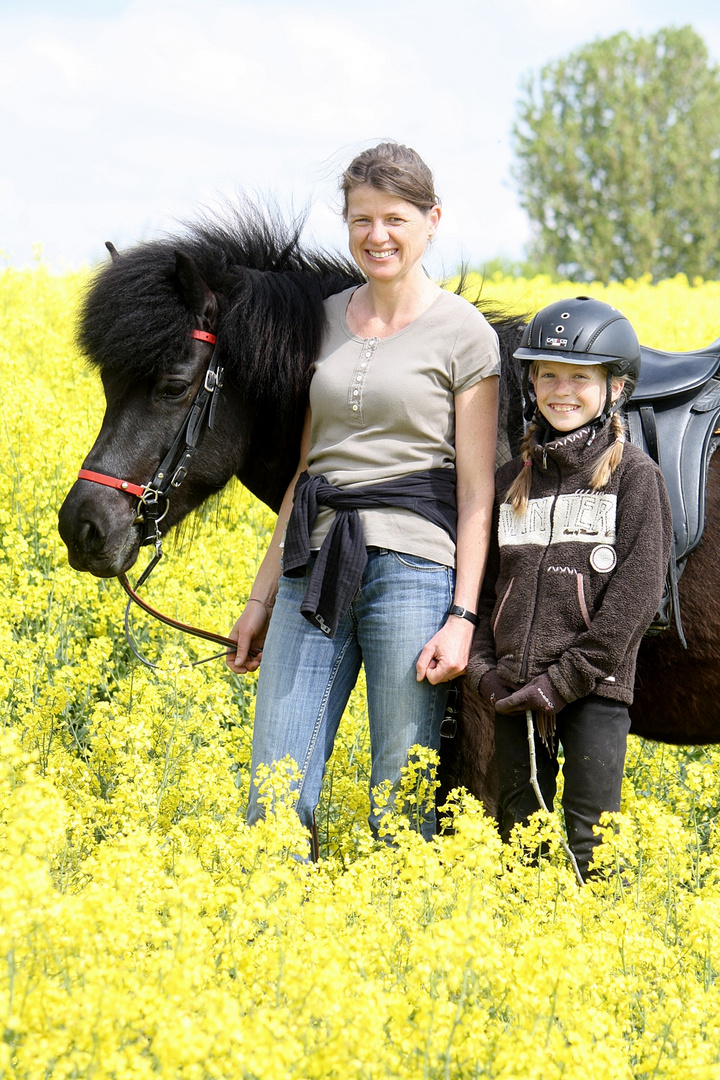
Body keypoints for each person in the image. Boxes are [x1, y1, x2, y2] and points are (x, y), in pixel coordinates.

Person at [226, 142, 501, 854]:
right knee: (274, 790)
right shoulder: (323, 319)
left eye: (395, 219)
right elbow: (305, 472)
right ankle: (276, 940)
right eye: (361, 220)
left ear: (432, 220)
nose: (377, 235)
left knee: (399, 802)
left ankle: (397, 948)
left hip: (413, 572)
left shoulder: (463, 333)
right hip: (312, 566)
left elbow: (476, 494)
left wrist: (463, 617)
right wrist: (258, 603)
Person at [467, 296, 673, 881]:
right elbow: (487, 593)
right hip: (513, 687)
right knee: (520, 842)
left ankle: (598, 948)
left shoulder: (634, 478)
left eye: (581, 378)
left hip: (594, 690)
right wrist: (486, 668)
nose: (562, 390)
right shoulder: (512, 481)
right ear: (531, 382)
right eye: (549, 375)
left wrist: (563, 682)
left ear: (614, 388)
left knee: (591, 843)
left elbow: (635, 600)